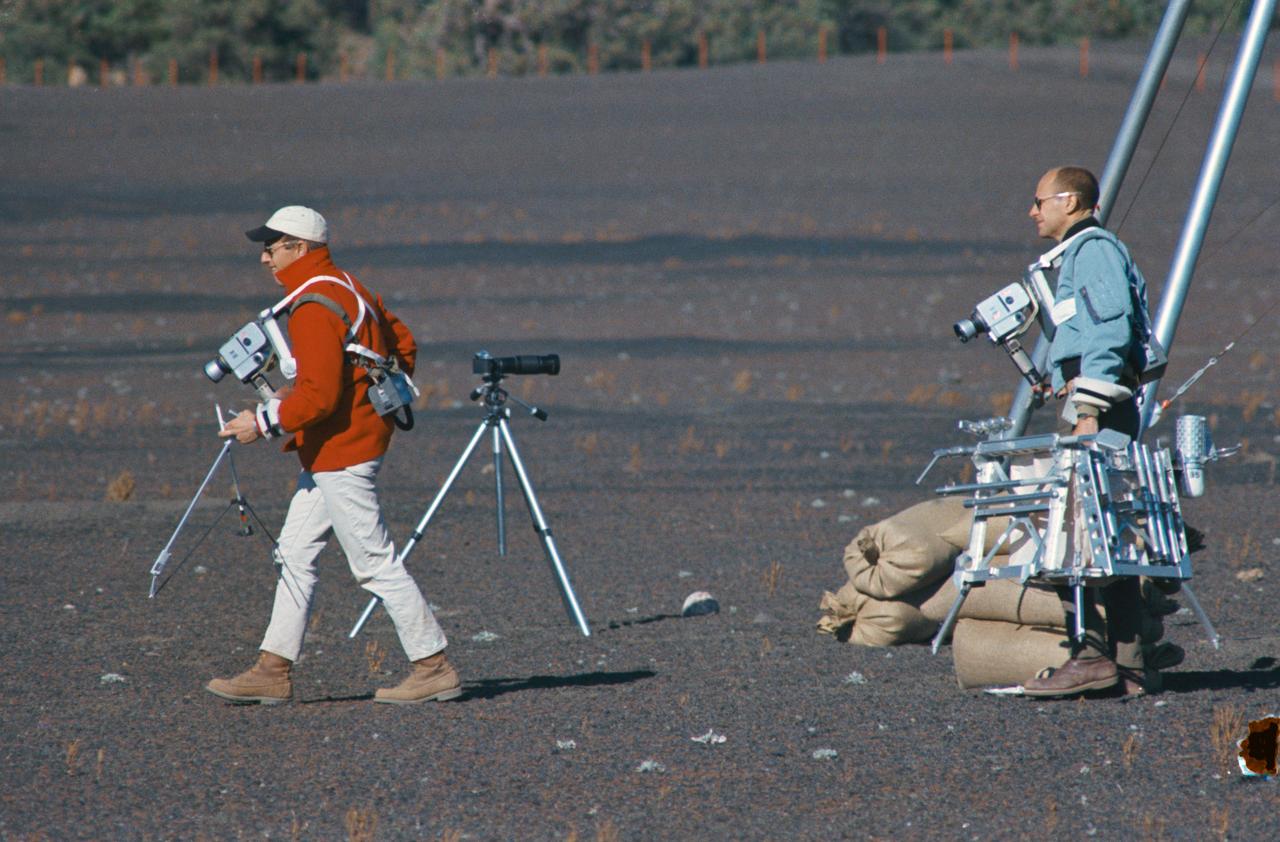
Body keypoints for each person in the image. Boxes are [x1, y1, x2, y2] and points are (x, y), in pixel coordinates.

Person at [205, 205, 461, 706]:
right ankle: (272, 669)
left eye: (272, 247)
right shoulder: (345, 285)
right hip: (343, 444)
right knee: (294, 553)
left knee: (372, 562)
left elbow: (319, 396)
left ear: (299, 248)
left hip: (341, 450)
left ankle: (433, 666)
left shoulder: (313, 305)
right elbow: (402, 344)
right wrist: (375, 400)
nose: (265, 258)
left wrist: (261, 421)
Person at [1019, 166, 1153, 698]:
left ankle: (1092, 657)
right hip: (1092, 403)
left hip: (1099, 410)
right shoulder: (1079, 254)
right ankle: (1131, 662)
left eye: (1039, 200)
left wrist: (1089, 403)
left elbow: (1111, 327)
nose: (1033, 211)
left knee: (1079, 533)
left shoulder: (1092, 250)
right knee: (1106, 531)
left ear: (1069, 201)